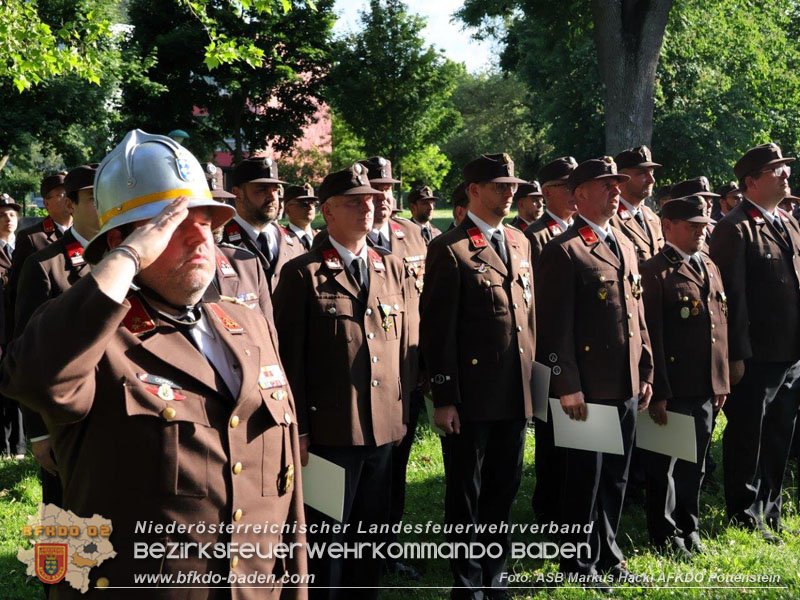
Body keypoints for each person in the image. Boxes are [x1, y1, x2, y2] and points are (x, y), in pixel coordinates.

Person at [0, 130, 307, 598]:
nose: (199, 236)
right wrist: (126, 258)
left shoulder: (246, 324)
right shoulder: (94, 337)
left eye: (205, 221)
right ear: (127, 241)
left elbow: (288, 501)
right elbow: (36, 379)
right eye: (171, 224)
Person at [273, 162, 408, 599]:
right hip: (330, 432)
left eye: (369, 200)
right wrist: (301, 432)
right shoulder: (302, 274)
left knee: (370, 538)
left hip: (383, 429)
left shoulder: (390, 267)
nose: (366, 208)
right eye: (353, 202)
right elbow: (288, 360)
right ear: (328, 212)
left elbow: (404, 346)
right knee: (328, 543)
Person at [421, 153, 536, 600]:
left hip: (514, 389)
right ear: (473, 190)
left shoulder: (519, 242)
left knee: (503, 489)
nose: (510, 193)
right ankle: (467, 582)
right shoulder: (450, 248)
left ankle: (496, 574)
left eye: (512, 186)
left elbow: (527, 318)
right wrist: (445, 397)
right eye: (499, 186)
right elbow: (437, 331)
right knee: (466, 492)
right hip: (471, 395)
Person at [536, 156, 653, 589]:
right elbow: (553, 329)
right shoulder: (563, 250)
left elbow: (636, 314)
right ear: (579, 194)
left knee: (615, 479)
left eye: (618, 184)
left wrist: (646, 370)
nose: (616, 191)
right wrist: (566, 385)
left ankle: (609, 556)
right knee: (584, 479)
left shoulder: (622, 244)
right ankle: (577, 564)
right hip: (585, 387)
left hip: (623, 381)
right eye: (607, 185)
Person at [709, 142, 800, 543]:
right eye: (776, 170)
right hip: (757, 355)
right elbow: (731, 298)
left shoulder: (788, 222)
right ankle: (744, 514)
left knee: (781, 432)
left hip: (791, 352)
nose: (786, 174)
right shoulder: (734, 227)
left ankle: (771, 509)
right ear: (751, 181)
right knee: (748, 434)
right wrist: (736, 354)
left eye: (785, 168)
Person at [640, 195, 729, 558]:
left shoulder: (709, 264)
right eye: (691, 225)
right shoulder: (655, 271)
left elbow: (720, 326)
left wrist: (721, 381)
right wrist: (658, 390)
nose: (699, 230)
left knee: (695, 463)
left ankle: (689, 528)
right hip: (673, 386)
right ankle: (664, 534)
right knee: (665, 466)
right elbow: (652, 336)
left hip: (705, 384)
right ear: (668, 226)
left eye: (703, 224)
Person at [15, 164, 99, 507]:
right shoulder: (45, 266)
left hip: (119, 418)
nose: (105, 204)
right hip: (66, 424)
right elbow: (29, 356)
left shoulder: (134, 259)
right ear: (71, 204)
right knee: (68, 528)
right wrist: (39, 431)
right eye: (94, 198)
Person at [202, 162, 275, 323]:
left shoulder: (247, 263)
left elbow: (268, 331)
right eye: (208, 204)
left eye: (222, 201)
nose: (218, 212)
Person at [221, 156, 304, 293]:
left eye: (275, 190)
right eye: (262, 190)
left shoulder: (294, 242)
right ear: (238, 194)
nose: (272, 197)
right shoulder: (221, 241)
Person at [610, 145, 664, 263]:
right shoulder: (610, 219)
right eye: (642, 173)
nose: (652, 180)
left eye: (652, 173)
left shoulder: (653, 219)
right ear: (622, 179)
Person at [525, 156, 578, 270]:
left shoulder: (583, 228)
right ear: (547, 192)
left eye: (577, 185)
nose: (575, 192)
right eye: (568, 186)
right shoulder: (535, 235)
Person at [0, 193, 20, 459]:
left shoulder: (28, 246)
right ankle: (4, 447)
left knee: (21, 388)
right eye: (3, 214)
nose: (8, 219)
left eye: (13, 214)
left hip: (23, 329)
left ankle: (20, 445)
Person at [283, 183, 319, 251]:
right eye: (304, 203)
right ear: (287, 210)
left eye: (313, 203)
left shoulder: (322, 239)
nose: (310, 207)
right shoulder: (281, 240)